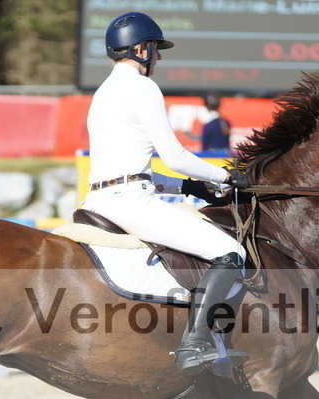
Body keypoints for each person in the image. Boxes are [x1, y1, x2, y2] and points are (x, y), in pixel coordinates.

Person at [80, 11, 250, 376]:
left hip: (99, 198)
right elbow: (176, 156)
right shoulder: (143, 87)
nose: (159, 56)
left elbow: (129, 168)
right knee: (230, 251)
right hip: (130, 203)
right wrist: (226, 176)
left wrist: (185, 186)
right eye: (156, 49)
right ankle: (194, 345)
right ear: (141, 49)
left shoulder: (102, 92)